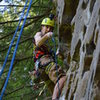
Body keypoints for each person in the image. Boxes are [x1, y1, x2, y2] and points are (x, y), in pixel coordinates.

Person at [32, 15, 66, 100]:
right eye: (47, 27)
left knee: (58, 87)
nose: (48, 30)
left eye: (50, 29)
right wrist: (47, 36)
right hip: (43, 62)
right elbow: (38, 42)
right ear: (42, 26)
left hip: (41, 68)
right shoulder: (38, 34)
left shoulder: (46, 46)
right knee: (62, 78)